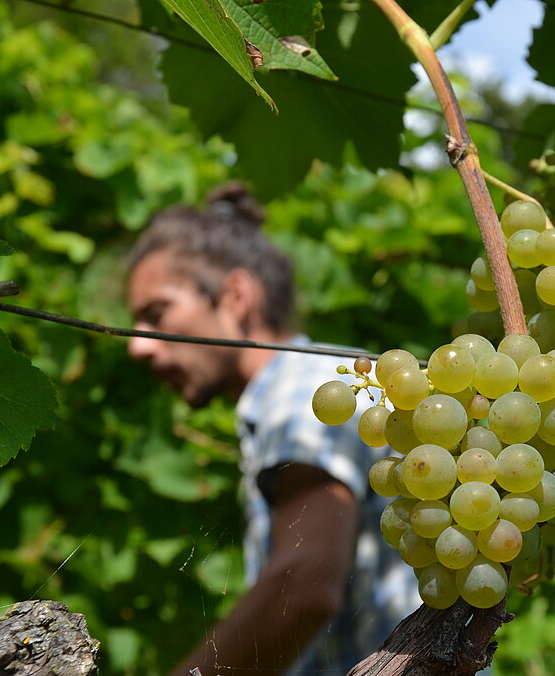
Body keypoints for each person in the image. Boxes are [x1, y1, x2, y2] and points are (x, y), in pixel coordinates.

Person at [125, 182, 418, 676]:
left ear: (236, 296)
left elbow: (306, 585)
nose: (139, 346)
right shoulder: (318, 383)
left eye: (157, 314)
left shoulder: (301, 392)